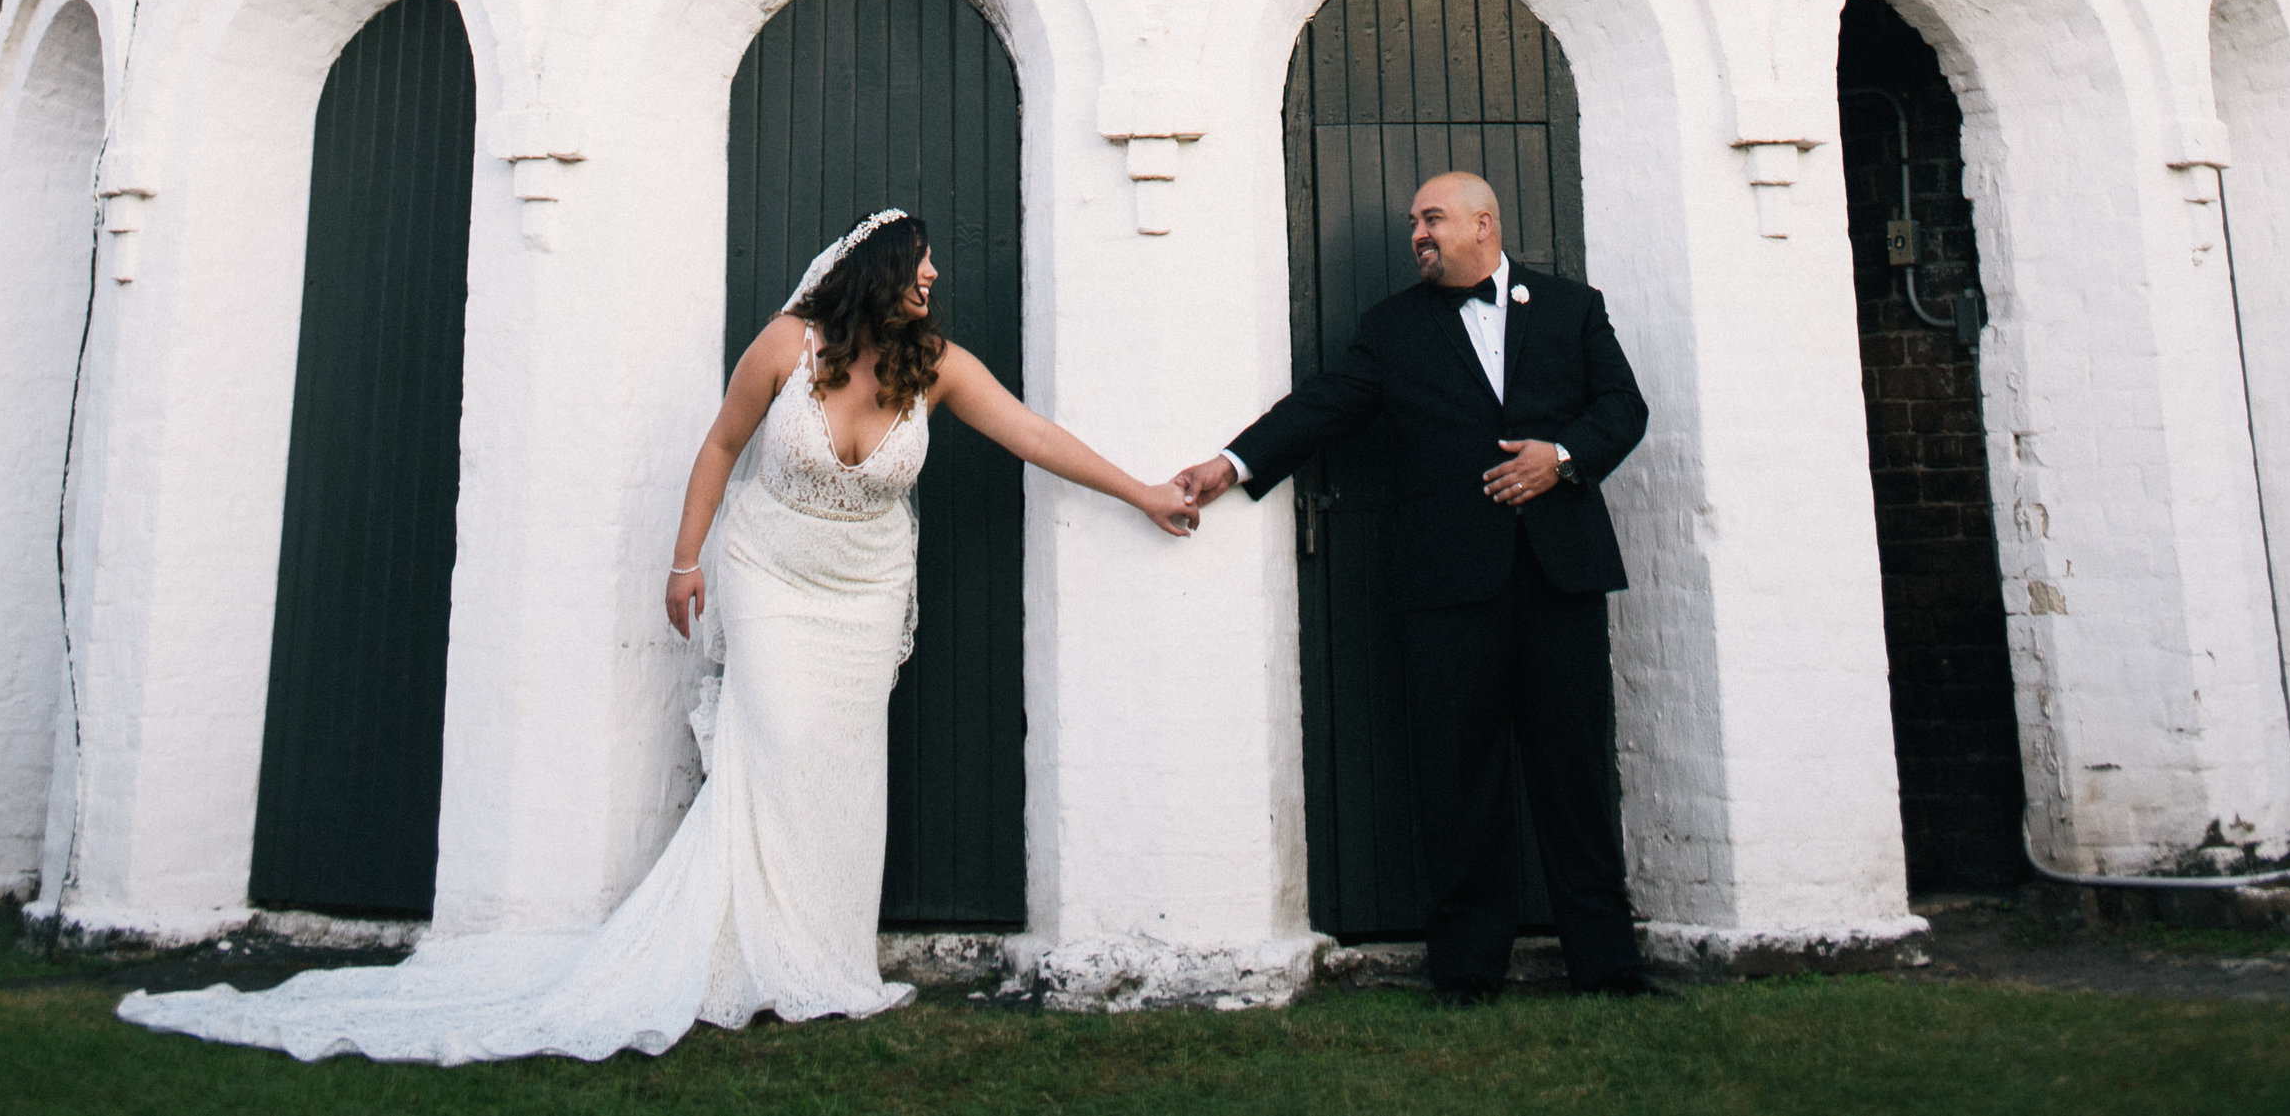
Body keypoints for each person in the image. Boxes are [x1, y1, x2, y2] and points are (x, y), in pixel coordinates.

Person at [124, 209, 1195, 1061]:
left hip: (864, 593)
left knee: (840, 769)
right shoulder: (789, 345)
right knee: (768, 751)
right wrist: (684, 561)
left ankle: (821, 960)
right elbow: (719, 447)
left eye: (933, 276)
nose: (930, 284)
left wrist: (1140, 489)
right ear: (876, 271)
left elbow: (1032, 432)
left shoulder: (937, 365)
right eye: (918, 269)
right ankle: (744, 952)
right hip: (770, 576)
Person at [1174, 169, 1655, 1002]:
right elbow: (1327, 404)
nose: (1418, 235)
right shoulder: (1392, 327)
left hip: (1558, 577)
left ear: (1484, 223)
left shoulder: (1574, 307)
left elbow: (1624, 406)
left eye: (1431, 219)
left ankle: (1608, 968)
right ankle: (1468, 971)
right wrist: (1234, 462)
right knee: (1458, 778)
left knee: (1573, 772)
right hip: (1446, 587)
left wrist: (1561, 456)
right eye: (1413, 223)